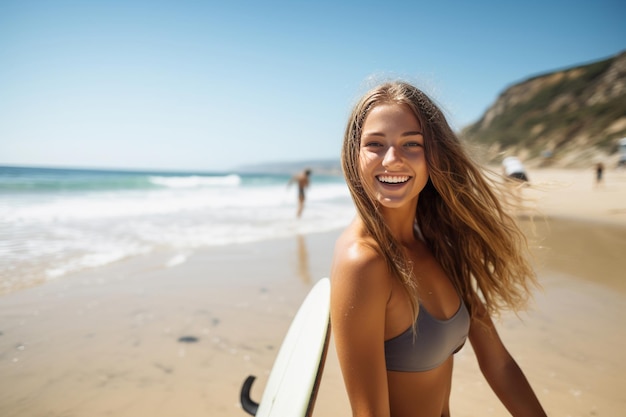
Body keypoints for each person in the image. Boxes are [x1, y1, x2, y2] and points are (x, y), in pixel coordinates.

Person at [330, 81, 546, 417]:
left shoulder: (439, 243)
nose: (392, 159)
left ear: (433, 154)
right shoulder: (364, 263)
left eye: (411, 143)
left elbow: (499, 364)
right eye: (375, 144)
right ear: (354, 154)